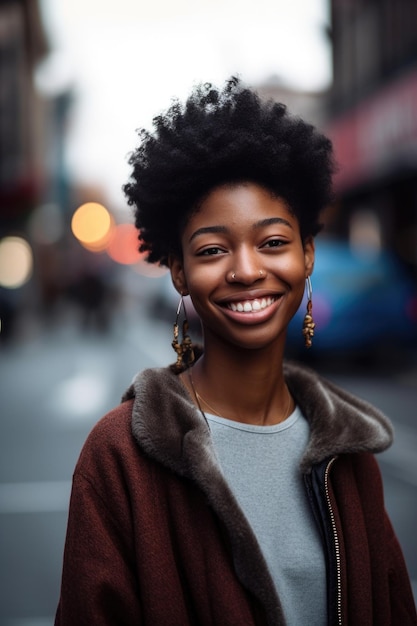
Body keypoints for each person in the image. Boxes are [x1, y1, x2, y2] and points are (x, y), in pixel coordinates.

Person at [55, 78, 416, 625]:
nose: (247, 270)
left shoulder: (351, 449)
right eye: (213, 249)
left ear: (307, 254)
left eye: (273, 242)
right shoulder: (119, 455)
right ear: (178, 270)